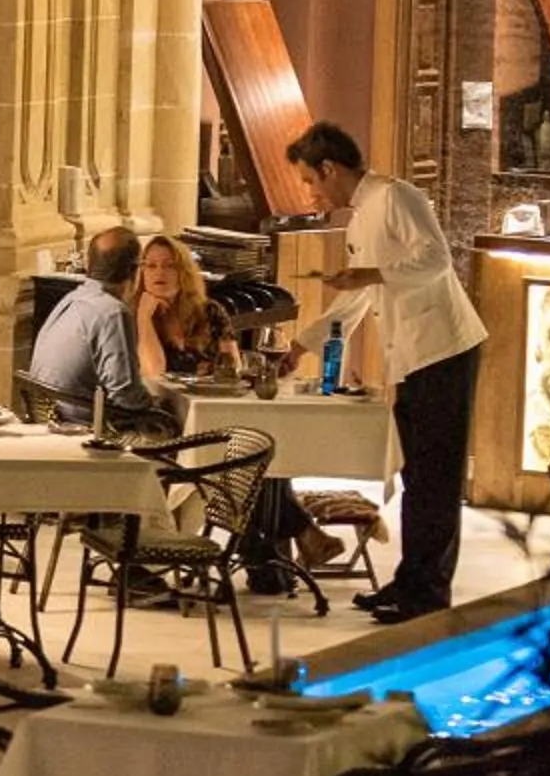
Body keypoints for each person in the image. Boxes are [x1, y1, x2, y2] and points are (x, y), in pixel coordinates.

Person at [286, 120, 488, 622]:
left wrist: (371, 273)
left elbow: (436, 260)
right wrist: (301, 345)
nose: (309, 193)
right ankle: (409, 581)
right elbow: (358, 298)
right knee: (418, 475)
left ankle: (428, 596)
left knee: (436, 480)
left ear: (329, 169)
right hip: (412, 357)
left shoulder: (398, 197)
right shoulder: (359, 219)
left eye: (309, 180)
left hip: (444, 349)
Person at [133, 230, 342, 576]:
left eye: (169, 265)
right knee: (254, 455)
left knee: (263, 444)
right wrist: (144, 318)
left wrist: (225, 372)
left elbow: (233, 368)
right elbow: (155, 372)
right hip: (171, 423)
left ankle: (268, 558)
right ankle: (290, 541)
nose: (159, 273)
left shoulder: (210, 312)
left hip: (216, 414)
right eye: (150, 266)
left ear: (184, 272)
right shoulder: (136, 316)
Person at [25, 225, 168, 433]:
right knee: (172, 428)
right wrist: (159, 405)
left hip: (48, 418)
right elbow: (125, 394)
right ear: (134, 270)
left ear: (90, 263)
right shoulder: (113, 312)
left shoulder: (72, 299)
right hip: (87, 429)